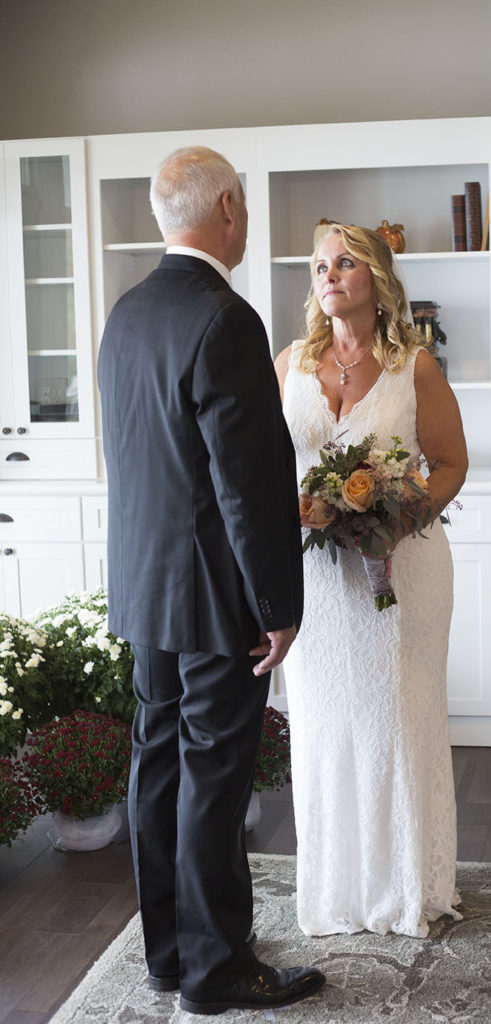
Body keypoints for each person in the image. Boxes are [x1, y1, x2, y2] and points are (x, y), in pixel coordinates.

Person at [97, 146, 325, 1015]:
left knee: (156, 768)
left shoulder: (128, 313)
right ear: (228, 206)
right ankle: (219, 971)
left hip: (144, 591)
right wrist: (274, 605)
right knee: (213, 779)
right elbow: (243, 485)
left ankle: (169, 956)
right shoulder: (223, 319)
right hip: (212, 599)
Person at [274, 223, 469, 937]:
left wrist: (393, 514)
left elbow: (449, 464)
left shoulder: (413, 366)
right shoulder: (289, 362)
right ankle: (337, 892)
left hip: (402, 571)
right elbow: (264, 464)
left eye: (345, 262)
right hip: (317, 581)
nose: (329, 274)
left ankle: (407, 889)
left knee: (398, 719)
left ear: (376, 279)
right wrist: (295, 511)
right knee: (324, 726)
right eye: (320, 264)